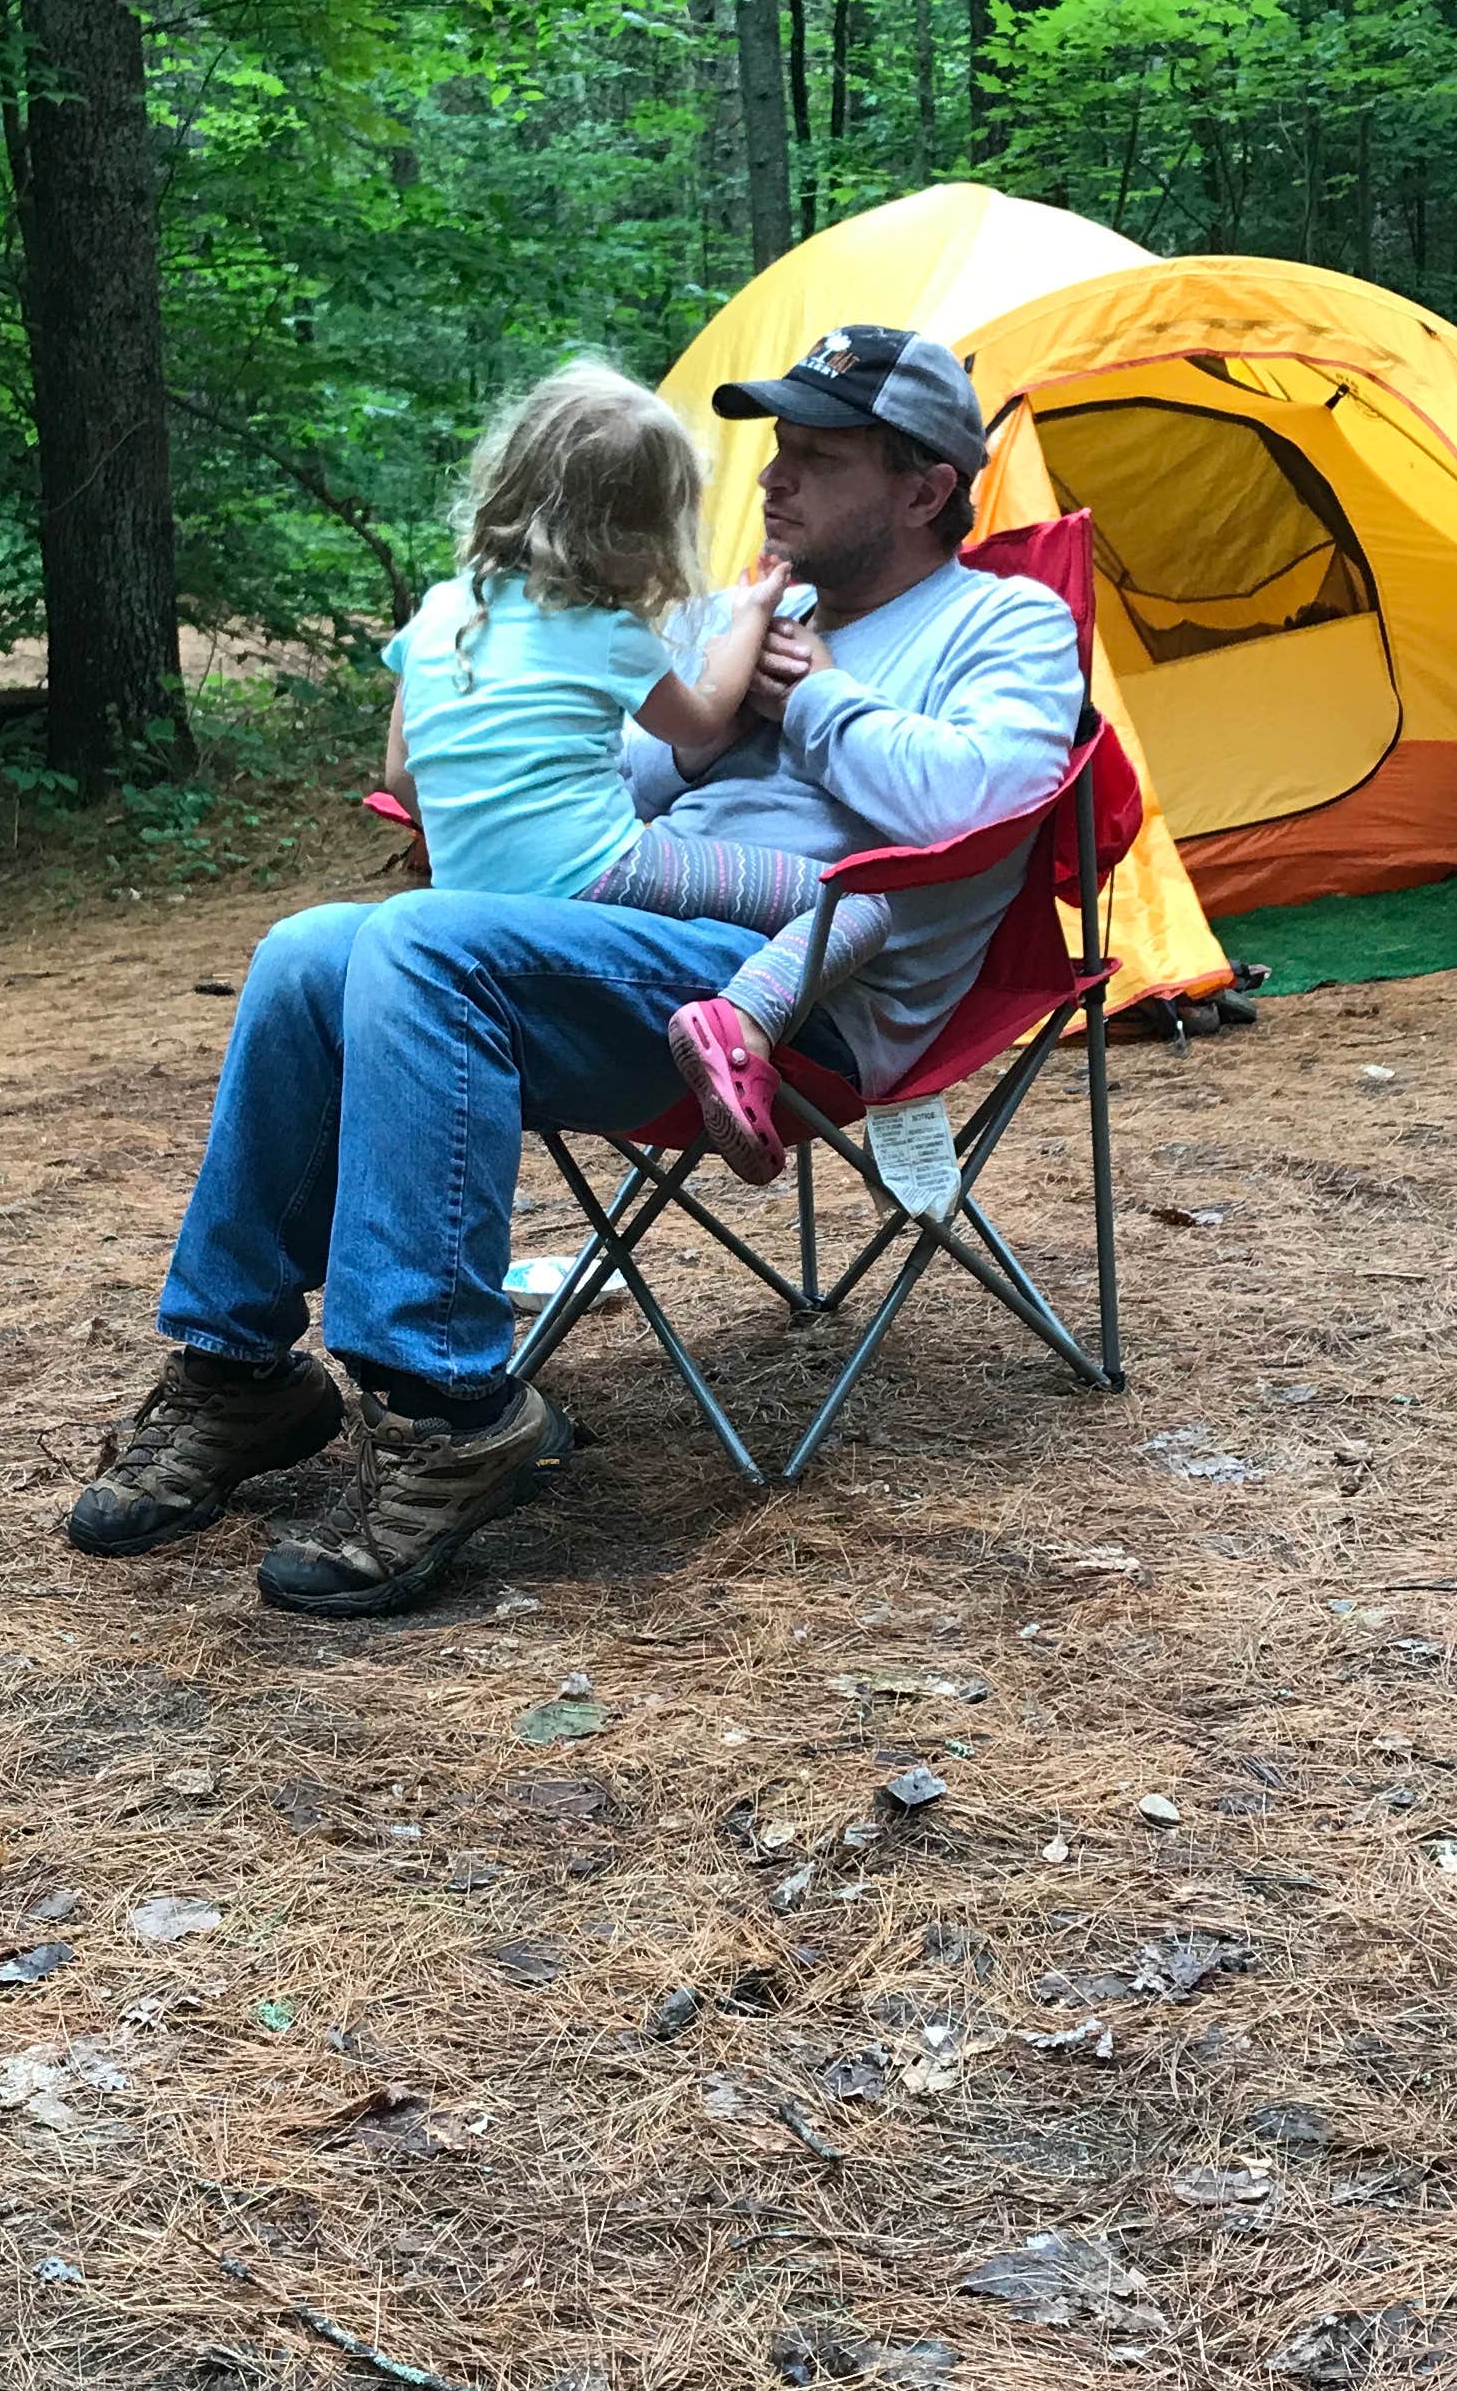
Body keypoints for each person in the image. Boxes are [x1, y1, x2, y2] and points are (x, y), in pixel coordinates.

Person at [67, 322, 1083, 1619]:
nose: (771, 480)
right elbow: (634, 775)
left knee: (422, 945)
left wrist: (817, 701)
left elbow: (984, 806)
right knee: (309, 953)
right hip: (635, 947)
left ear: (927, 486)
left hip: (801, 992)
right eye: (775, 449)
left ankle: (449, 1411)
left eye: (816, 458)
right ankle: (237, 1372)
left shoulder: (1006, 621)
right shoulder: (752, 611)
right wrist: (701, 709)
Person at [377, 359, 895, 1185]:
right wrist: (753, 612)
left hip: (469, 903)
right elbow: (705, 717)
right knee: (856, 902)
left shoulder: (441, 613)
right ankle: (741, 1024)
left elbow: (403, 777)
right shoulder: (601, 629)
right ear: (638, 531)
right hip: (603, 875)